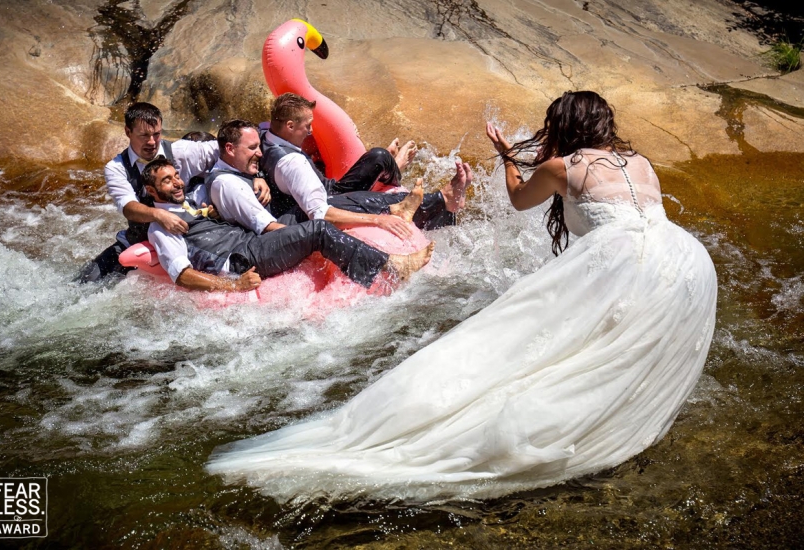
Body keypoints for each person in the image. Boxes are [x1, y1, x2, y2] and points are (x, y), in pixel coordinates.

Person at [205, 91, 718, 503]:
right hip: (684, 258)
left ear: (564, 128)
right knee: (613, 346)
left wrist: (504, 156)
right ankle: (614, 417)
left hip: (623, 256)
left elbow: (519, 199)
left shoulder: (565, 167)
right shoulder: (641, 161)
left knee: (518, 340)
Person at [142, 157, 434, 291]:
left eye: (175, 176)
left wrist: (254, 178)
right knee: (318, 229)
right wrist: (233, 286)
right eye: (166, 181)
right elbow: (182, 274)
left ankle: (394, 206)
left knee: (308, 211)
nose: (176, 183)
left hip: (254, 239)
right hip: (246, 258)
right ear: (152, 193)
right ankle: (391, 266)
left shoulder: (191, 199)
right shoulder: (161, 225)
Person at [75, 103, 266, 283]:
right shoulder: (116, 168)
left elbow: (236, 147)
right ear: (127, 132)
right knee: (85, 281)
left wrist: (256, 174)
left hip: (191, 237)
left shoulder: (181, 151)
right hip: (141, 238)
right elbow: (128, 208)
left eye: (157, 134)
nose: (152, 142)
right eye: (144, 135)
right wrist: (159, 215)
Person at [259, 93, 472, 235]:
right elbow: (320, 212)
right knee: (387, 200)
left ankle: (395, 172)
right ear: (289, 126)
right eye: (307, 126)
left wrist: (257, 178)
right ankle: (443, 200)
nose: (311, 131)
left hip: (325, 188)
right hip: (320, 205)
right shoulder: (292, 163)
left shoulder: (264, 135)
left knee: (379, 156)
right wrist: (376, 220)